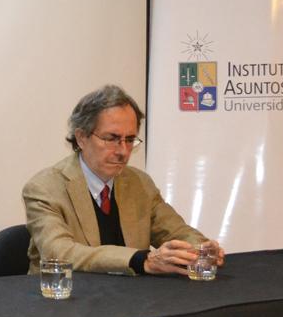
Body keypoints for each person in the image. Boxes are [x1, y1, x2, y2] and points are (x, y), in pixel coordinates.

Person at [22, 84, 224, 276]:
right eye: (111, 138)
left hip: (130, 301)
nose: (123, 151)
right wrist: (140, 260)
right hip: (64, 300)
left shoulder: (139, 183)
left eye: (129, 140)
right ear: (81, 138)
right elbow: (59, 254)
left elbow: (175, 231)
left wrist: (201, 248)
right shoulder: (44, 188)